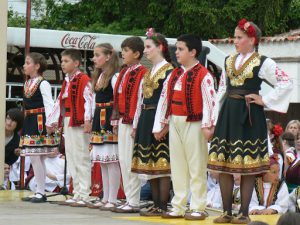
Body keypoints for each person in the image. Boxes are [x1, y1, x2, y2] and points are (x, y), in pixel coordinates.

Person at [208, 18, 293, 224]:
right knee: (224, 164)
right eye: (235, 37)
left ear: (251, 40)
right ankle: (227, 212)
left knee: (247, 166)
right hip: (228, 113)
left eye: (239, 37)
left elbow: (286, 82)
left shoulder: (263, 62)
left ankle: (244, 213)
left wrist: (265, 100)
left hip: (248, 117)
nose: (235, 41)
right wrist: (213, 118)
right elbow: (221, 90)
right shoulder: (228, 60)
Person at [154, 34, 217, 220]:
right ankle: (178, 205)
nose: (177, 52)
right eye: (177, 49)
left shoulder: (203, 74)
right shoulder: (174, 74)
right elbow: (164, 99)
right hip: (175, 121)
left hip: (195, 122)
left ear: (193, 52)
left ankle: (198, 206)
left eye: (181, 49)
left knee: (196, 166)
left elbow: (210, 102)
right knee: (178, 166)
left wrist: (208, 125)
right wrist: (162, 124)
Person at [131, 28, 174, 216]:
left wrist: (164, 124)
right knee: (152, 165)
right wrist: (136, 124)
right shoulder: (149, 72)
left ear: (160, 47)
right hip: (147, 118)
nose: (145, 50)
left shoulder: (170, 71)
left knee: (162, 164)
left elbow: (169, 101)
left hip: (160, 117)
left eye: (148, 47)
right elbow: (141, 100)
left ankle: (162, 205)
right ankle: (156, 204)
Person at [46, 49, 93, 207]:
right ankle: (77, 192)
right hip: (68, 120)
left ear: (76, 63)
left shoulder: (84, 79)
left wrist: (87, 120)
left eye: (66, 61)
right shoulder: (67, 80)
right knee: (71, 157)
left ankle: (85, 194)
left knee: (81, 157)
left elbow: (89, 101)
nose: (62, 64)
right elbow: (60, 101)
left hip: (78, 121)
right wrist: (52, 121)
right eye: (62, 61)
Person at [111, 36, 148, 213]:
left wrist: (136, 125)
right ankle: (129, 198)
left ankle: (133, 200)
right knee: (123, 160)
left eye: (126, 51)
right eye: (123, 50)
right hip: (123, 119)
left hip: (133, 120)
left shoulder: (142, 73)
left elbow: (141, 100)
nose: (123, 54)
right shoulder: (124, 72)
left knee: (130, 161)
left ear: (137, 53)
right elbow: (118, 97)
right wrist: (115, 119)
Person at [20, 52, 59, 203]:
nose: (24, 65)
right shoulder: (27, 83)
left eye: (27, 62)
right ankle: (39, 190)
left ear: (37, 66)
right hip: (30, 120)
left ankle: (41, 192)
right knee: (35, 158)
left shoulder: (43, 83)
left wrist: (50, 123)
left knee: (37, 157)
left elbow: (49, 104)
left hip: (40, 121)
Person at [89, 43, 121, 210]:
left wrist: (116, 120)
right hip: (99, 119)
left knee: (112, 160)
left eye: (97, 55)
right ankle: (105, 196)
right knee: (102, 160)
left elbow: (118, 100)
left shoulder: (114, 76)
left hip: (109, 119)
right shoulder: (100, 76)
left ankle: (113, 198)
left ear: (108, 56)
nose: (94, 58)